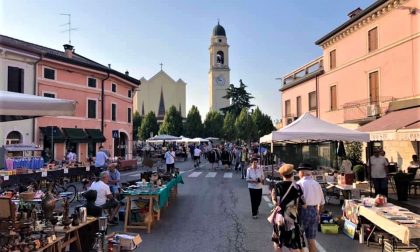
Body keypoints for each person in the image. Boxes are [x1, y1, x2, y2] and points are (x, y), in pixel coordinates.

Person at [271, 164, 305, 252]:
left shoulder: (277, 186)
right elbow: (304, 204)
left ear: (282, 175)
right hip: (293, 219)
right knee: (294, 245)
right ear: (292, 174)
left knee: (278, 244)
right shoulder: (297, 187)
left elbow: (275, 202)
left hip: (280, 219)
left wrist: (273, 199)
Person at [296, 163, 324, 252]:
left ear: (302, 173)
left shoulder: (299, 184)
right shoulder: (317, 184)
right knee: (311, 240)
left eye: (299, 172)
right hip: (314, 211)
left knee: (298, 239)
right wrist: (318, 214)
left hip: (302, 211)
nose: (298, 174)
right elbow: (322, 203)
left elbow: (296, 201)